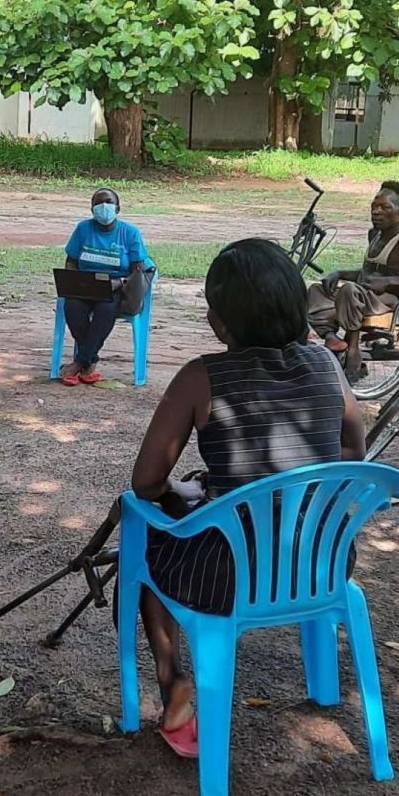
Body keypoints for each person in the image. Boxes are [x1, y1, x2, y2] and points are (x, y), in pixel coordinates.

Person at [127, 238, 366, 758]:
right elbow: (352, 453)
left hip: (228, 573)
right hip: (322, 562)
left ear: (218, 322)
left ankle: (174, 686)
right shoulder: (328, 366)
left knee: (146, 550)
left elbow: (145, 483)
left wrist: (184, 490)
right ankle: (320, 682)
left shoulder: (201, 376)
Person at [303, 180, 399, 379]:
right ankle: (330, 337)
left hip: (390, 302)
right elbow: (366, 274)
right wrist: (339, 273)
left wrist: (390, 281)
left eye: (385, 207)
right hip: (363, 297)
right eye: (374, 207)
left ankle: (353, 348)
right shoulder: (375, 235)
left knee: (349, 290)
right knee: (315, 290)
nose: (376, 212)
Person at [58, 187, 152, 386]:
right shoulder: (83, 229)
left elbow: (139, 270)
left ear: (117, 208)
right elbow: (71, 260)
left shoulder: (130, 233)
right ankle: (89, 361)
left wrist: (119, 283)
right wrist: (74, 281)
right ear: (92, 209)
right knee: (72, 307)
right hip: (86, 286)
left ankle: (79, 363)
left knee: (106, 309)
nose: (104, 207)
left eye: (109, 202)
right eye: (98, 203)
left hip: (116, 287)